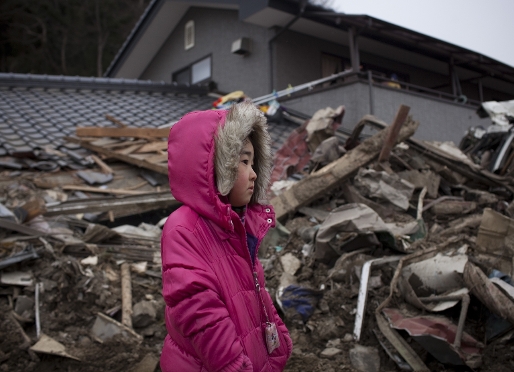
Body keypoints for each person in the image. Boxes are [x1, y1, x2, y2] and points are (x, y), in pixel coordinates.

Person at [160, 101, 293, 371]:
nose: (254, 174)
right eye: (244, 162)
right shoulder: (184, 229)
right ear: (216, 166)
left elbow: (256, 293)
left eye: (254, 163)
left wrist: (279, 345)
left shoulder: (237, 226)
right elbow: (201, 314)